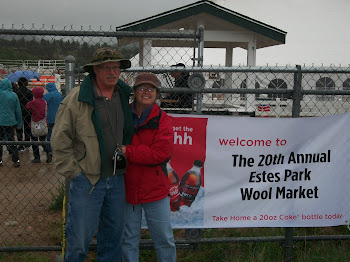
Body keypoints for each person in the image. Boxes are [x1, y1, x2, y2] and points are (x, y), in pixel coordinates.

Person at [51, 47, 134, 262]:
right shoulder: (78, 98)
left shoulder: (122, 95)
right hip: (87, 180)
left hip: (116, 179)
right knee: (79, 241)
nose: (112, 72)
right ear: (95, 70)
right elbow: (60, 139)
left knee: (113, 240)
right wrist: (76, 173)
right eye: (106, 67)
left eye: (115, 67)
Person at [121, 72, 176, 262]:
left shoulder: (163, 119)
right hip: (127, 188)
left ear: (157, 93)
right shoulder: (123, 115)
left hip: (155, 190)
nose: (146, 92)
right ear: (134, 92)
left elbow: (160, 154)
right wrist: (142, 152)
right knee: (129, 240)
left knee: (164, 239)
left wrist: (128, 151)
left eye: (151, 89)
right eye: (142, 88)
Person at [0, 78, 22, 167]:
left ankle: (0, 161)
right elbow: (18, 110)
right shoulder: (14, 95)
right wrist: (19, 123)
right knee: (12, 140)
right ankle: (16, 159)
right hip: (11, 121)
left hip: (0, 121)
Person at [26, 86, 51, 163]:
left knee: (34, 141)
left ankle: (37, 157)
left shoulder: (32, 103)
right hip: (43, 123)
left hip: (34, 123)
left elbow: (27, 107)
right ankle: (48, 151)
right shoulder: (44, 102)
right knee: (43, 140)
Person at [43, 82, 63, 161]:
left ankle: (49, 149)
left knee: (49, 133)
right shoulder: (59, 94)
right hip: (59, 116)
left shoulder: (46, 96)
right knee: (58, 133)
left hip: (49, 116)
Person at [15, 77, 33, 152]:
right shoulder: (29, 92)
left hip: (18, 112)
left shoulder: (16, 92)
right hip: (28, 112)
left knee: (19, 129)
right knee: (27, 129)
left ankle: (20, 145)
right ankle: (27, 144)